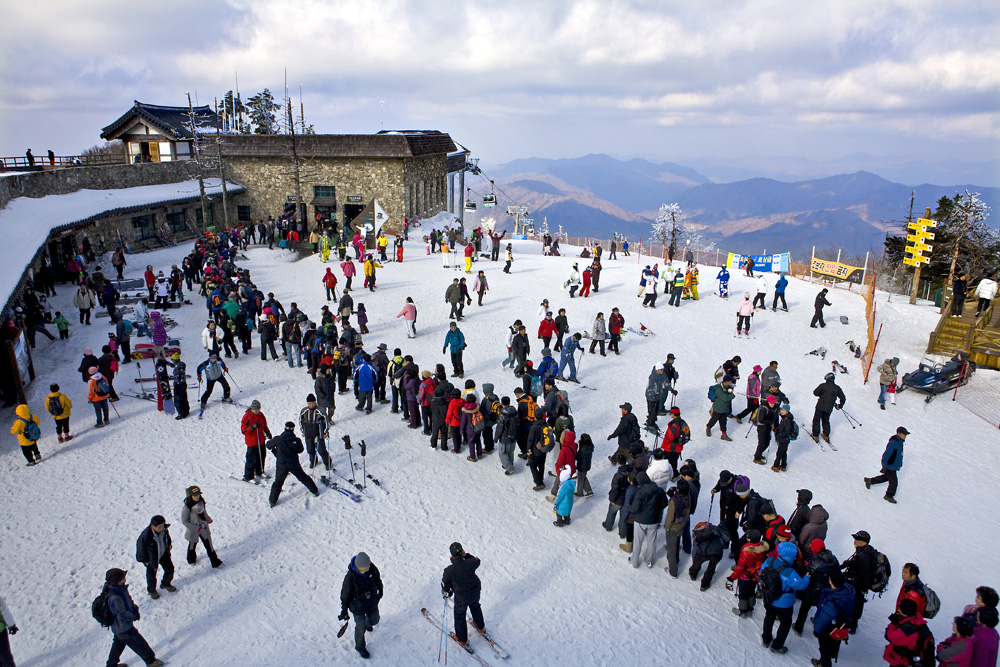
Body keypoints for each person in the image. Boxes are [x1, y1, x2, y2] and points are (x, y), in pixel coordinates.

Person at [101, 568, 164, 667]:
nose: (125, 580)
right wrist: (133, 615)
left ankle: (111, 665)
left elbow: (127, 601)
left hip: (119, 627)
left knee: (118, 644)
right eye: (122, 578)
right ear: (116, 580)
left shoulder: (118, 588)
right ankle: (151, 661)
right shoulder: (114, 597)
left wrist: (134, 608)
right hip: (123, 627)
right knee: (139, 643)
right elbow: (122, 613)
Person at [760, 541, 811, 654]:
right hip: (784, 602)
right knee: (785, 623)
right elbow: (801, 585)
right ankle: (777, 646)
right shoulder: (789, 572)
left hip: (769, 597)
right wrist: (807, 577)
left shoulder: (769, 561)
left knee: (769, 617)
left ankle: (766, 638)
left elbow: (761, 571)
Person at [441, 542, 486, 650]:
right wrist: (466, 555)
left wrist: (447, 592)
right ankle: (480, 627)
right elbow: (477, 560)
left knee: (460, 616)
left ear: (451, 555)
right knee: (475, 607)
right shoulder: (470, 562)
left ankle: (462, 640)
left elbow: (445, 585)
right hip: (475, 591)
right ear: (462, 552)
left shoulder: (449, 571)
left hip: (461, 597)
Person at [339, 552, 383, 659]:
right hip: (357, 606)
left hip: (371, 602)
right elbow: (345, 595)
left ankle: (368, 623)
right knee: (360, 626)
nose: (367, 569)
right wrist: (344, 610)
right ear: (358, 567)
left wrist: (380, 590)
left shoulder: (372, 569)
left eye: (367, 566)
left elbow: (378, 580)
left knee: (375, 620)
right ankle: (360, 647)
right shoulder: (350, 578)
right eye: (364, 568)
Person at [266, 422, 320, 507]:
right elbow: (300, 450)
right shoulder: (296, 440)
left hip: (282, 465)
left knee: (278, 482)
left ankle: (272, 501)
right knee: (303, 477)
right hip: (294, 463)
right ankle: (315, 491)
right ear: (293, 430)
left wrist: (275, 450)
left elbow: (268, 445)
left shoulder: (278, 439)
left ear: (285, 428)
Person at [810, 570, 856, 667]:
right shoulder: (849, 591)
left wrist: (817, 630)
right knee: (835, 641)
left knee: (824, 647)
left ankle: (824, 663)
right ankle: (833, 653)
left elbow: (823, 618)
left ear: (832, 582)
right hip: (842, 623)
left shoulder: (831, 600)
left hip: (829, 627)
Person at [840, 530, 879, 633]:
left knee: (855, 604)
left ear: (864, 542)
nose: (854, 541)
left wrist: (864, 589)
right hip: (857, 583)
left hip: (857, 585)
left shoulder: (864, 556)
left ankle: (851, 625)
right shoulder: (864, 550)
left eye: (857, 539)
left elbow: (865, 574)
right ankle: (852, 625)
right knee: (856, 604)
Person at [628, 472, 667, 568]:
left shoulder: (640, 492)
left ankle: (635, 562)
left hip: (640, 520)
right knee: (651, 542)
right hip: (653, 520)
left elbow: (634, 508)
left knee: (638, 542)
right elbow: (664, 504)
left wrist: (630, 507)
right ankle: (649, 561)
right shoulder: (659, 490)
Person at [884, 598, 935, 666]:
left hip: (903, 662)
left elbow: (888, 636)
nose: (898, 610)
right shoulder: (917, 620)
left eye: (900, 609)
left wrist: (893, 623)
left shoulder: (906, 631)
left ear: (905, 613)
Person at [180, 486, 222, 568]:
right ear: (190, 496)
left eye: (198, 495)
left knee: (209, 545)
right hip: (194, 530)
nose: (197, 497)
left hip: (204, 528)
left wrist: (208, 519)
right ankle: (191, 559)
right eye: (195, 496)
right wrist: (196, 528)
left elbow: (204, 513)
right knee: (192, 544)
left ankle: (215, 561)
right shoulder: (186, 508)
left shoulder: (201, 502)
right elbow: (185, 521)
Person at [135, 516, 176, 599]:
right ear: (153, 526)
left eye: (163, 525)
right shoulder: (146, 536)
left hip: (163, 553)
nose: (162, 528)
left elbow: (167, 538)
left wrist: (168, 545)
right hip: (152, 558)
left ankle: (166, 583)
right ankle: (152, 591)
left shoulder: (164, 529)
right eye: (160, 527)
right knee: (151, 575)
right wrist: (145, 560)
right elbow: (140, 549)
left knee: (170, 569)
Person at [865, 426, 908, 504]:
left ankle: (870, 480)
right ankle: (889, 495)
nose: (905, 436)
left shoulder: (900, 442)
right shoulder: (893, 442)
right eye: (904, 434)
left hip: (893, 465)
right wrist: (884, 466)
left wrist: (900, 463)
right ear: (899, 434)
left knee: (886, 477)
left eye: (906, 434)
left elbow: (899, 455)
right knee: (894, 482)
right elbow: (886, 455)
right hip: (890, 465)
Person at [241, 400, 272, 482]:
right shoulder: (247, 417)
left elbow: (264, 425)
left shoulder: (261, 415)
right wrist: (252, 427)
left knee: (262, 456)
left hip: (261, 439)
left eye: (258, 409)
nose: (257, 411)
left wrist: (267, 432)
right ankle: (248, 476)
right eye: (256, 409)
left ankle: (260, 471)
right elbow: (243, 431)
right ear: (252, 408)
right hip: (252, 442)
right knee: (251, 459)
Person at [810, 373, 845, 444]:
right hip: (829, 408)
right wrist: (840, 406)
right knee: (826, 421)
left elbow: (815, 393)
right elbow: (843, 398)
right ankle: (826, 435)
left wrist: (822, 394)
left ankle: (815, 435)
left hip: (820, 407)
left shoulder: (823, 385)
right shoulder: (837, 388)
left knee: (816, 420)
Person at [300, 394, 331, 470]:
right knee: (310, 449)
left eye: (313, 403)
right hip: (308, 434)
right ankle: (313, 461)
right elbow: (300, 422)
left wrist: (325, 432)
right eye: (310, 403)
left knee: (321, 450)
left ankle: (328, 462)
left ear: (315, 402)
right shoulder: (304, 411)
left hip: (319, 434)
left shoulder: (321, 411)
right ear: (307, 403)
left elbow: (327, 423)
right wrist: (303, 431)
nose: (311, 405)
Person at [706, 375, 736, 441]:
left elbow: (728, 393)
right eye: (730, 381)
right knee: (714, 420)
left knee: (723, 422)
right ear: (726, 381)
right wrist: (733, 394)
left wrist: (732, 389)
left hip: (724, 408)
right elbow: (725, 398)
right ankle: (708, 427)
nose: (731, 382)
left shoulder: (728, 387)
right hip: (718, 408)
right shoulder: (719, 390)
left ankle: (724, 434)